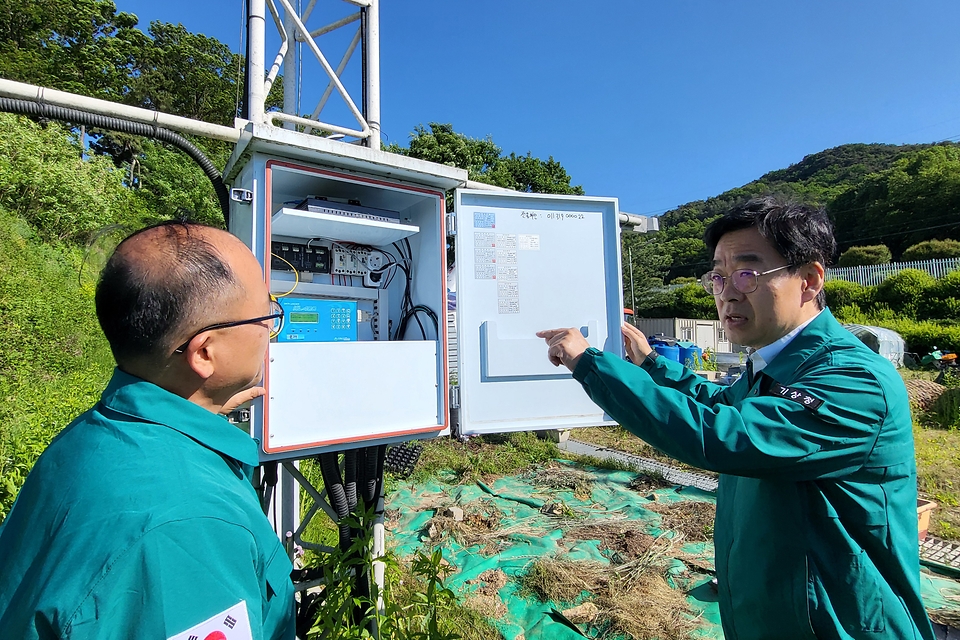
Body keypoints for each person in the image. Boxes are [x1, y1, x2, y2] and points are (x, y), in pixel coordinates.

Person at [538, 197, 934, 640]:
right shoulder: (775, 364)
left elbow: (725, 435)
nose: (727, 291)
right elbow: (723, 403)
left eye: (747, 273)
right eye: (718, 276)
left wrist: (591, 365)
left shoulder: (853, 379)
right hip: (775, 609)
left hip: (837, 621)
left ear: (809, 279)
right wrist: (653, 364)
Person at [0, 222, 296, 640]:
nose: (270, 331)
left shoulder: (93, 438)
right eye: (267, 316)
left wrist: (207, 412)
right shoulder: (190, 528)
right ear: (205, 351)